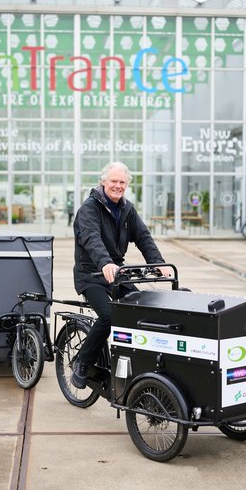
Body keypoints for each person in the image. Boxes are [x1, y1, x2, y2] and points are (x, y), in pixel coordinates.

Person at [71, 161, 171, 389]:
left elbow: (144, 237)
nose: (118, 186)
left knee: (140, 310)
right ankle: (82, 362)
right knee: (109, 316)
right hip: (91, 274)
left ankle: (132, 363)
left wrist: (158, 262)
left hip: (118, 274)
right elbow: (91, 238)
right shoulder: (89, 208)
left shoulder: (127, 209)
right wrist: (105, 262)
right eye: (114, 181)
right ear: (103, 182)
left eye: (122, 182)